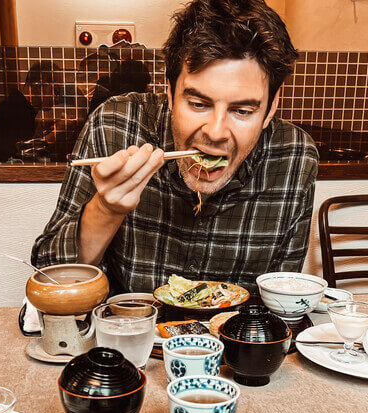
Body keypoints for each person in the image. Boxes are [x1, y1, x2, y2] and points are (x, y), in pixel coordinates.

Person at [32, 0, 318, 295]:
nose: (216, 132)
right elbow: (50, 281)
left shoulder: (294, 157)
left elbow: (283, 304)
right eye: (198, 104)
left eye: (242, 111)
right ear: (169, 92)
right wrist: (106, 210)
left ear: (271, 108)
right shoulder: (116, 125)